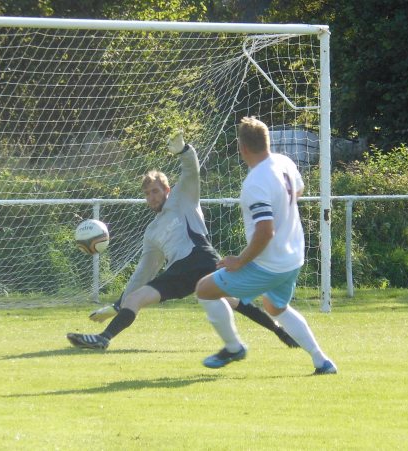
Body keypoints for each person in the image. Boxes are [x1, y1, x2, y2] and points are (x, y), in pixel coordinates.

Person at [66, 131, 298, 350]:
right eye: (147, 194)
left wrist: (185, 150)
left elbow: (190, 170)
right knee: (136, 298)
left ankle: (281, 333)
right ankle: (103, 339)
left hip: (202, 259)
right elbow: (144, 272)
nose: (151, 197)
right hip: (179, 271)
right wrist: (119, 304)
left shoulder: (182, 197)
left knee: (234, 301)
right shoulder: (151, 232)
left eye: (155, 191)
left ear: (167, 189)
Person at [195, 116, 337, 375]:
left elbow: (265, 231)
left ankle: (233, 347)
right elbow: (299, 190)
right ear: (266, 142)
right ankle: (322, 361)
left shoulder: (255, 182)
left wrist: (239, 261)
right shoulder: (284, 162)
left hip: (268, 264)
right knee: (275, 307)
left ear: (243, 148)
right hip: (292, 257)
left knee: (204, 289)